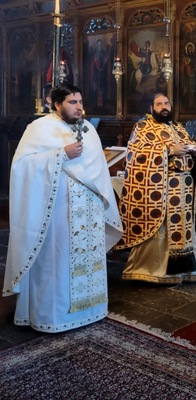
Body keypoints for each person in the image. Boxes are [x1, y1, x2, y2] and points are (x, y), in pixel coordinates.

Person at [2, 83, 123, 333]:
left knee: (87, 259)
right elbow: (22, 166)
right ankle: (56, 317)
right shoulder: (40, 128)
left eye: (80, 102)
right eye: (72, 102)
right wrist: (60, 154)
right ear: (57, 104)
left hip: (88, 210)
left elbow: (99, 167)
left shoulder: (89, 129)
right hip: (56, 210)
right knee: (58, 260)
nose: (79, 107)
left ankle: (90, 311)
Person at [116, 93, 196, 284]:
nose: (164, 107)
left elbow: (190, 144)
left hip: (183, 187)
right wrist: (170, 150)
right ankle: (154, 272)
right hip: (162, 188)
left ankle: (185, 270)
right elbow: (136, 153)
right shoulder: (143, 127)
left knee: (183, 227)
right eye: (159, 104)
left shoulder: (177, 126)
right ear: (151, 108)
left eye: (166, 103)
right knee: (162, 227)